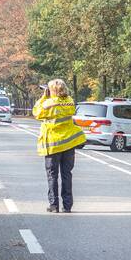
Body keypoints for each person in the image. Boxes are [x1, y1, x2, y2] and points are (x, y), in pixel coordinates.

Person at [32, 79, 85, 213]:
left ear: (51, 91)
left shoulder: (49, 103)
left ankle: (54, 205)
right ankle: (67, 205)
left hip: (53, 144)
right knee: (67, 174)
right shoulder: (70, 101)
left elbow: (36, 112)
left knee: (52, 175)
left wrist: (44, 96)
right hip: (68, 143)